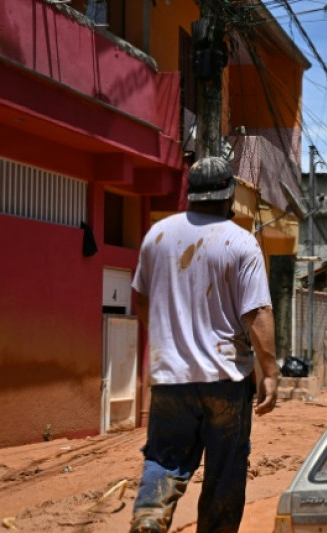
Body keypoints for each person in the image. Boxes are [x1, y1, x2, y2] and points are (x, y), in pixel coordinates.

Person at [129, 156, 280, 533]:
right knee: (225, 471)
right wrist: (271, 374)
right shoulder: (241, 242)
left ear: (191, 195)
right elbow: (258, 313)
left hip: (171, 381)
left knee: (164, 459)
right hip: (226, 380)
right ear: (229, 195)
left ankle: (149, 517)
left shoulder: (159, 236)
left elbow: (140, 298)